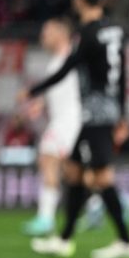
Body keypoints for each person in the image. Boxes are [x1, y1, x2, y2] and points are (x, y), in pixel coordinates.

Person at [20, 0, 129, 258]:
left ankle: (126, 241)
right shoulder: (115, 30)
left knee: (101, 177)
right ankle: (64, 240)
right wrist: (123, 113)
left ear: (81, 1)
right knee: (74, 172)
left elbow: (67, 68)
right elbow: (123, 75)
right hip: (106, 110)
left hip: (93, 114)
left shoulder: (88, 33)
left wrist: (33, 91)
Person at [21, 18, 82, 237]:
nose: (42, 37)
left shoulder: (73, 57)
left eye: (47, 33)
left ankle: (46, 217)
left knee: (47, 159)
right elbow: (59, 88)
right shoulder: (56, 61)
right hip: (63, 119)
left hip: (69, 119)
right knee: (72, 171)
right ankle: (106, 203)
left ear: (61, 34)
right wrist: (42, 103)